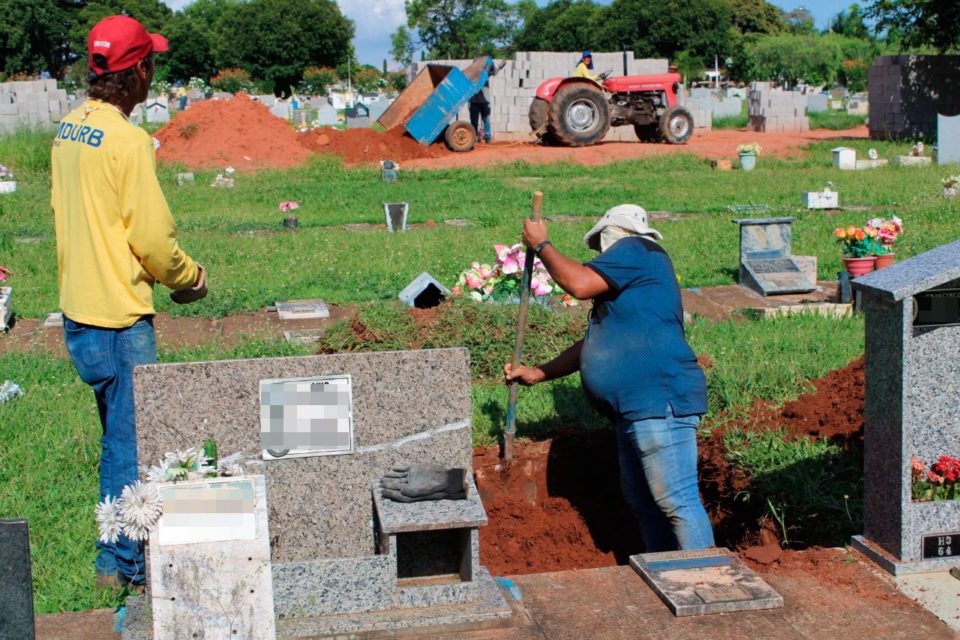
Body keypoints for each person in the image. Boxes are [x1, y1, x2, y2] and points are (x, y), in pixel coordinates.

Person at [51, 15, 207, 588]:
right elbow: (153, 240)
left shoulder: (69, 130)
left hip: (78, 311)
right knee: (130, 444)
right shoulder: (127, 140)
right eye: (152, 64)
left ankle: (121, 556)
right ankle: (120, 563)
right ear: (138, 70)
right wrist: (189, 278)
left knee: (116, 432)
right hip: (118, 318)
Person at [504, 205, 714, 553]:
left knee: (676, 500)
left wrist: (542, 245)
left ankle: (709, 581)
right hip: (633, 409)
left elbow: (579, 283)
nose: (602, 254)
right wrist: (540, 372)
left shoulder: (637, 250)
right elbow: (592, 343)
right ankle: (666, 571)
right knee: (644, 503)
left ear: (611, 233)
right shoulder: (625, 283)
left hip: (658, 399)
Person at [469, 58, 497, 143]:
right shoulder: (471, 75)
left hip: (485, 102)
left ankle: (488, 138)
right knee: (474, 122)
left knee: (486, 121)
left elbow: (494, 71)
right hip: (474, 102)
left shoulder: (485, 73)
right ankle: (473, 138)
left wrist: (493, 63)